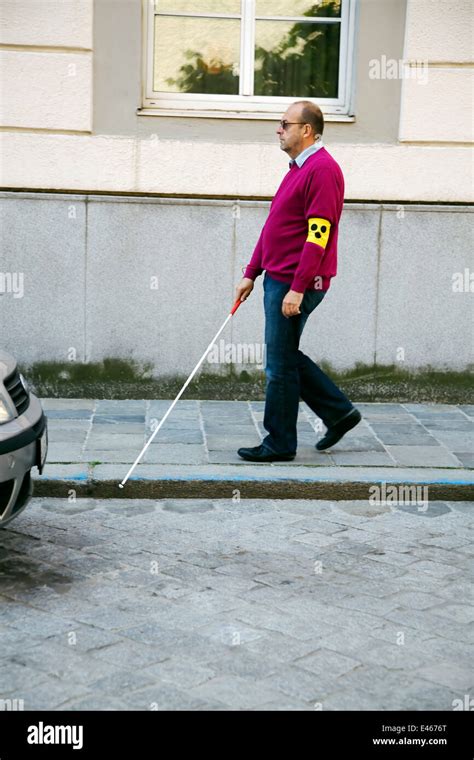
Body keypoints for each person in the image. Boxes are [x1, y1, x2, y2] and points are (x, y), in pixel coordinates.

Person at [235, 100, 361, 462]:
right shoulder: (297, 168)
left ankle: (279, 443)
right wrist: (251, 272)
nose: (279, 129)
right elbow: (275, 225)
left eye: (284, 124)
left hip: (295, 282)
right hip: (278, 277)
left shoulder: (322, 170)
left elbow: (318, 235)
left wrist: (298, 287)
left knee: (278, 365)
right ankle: (340, 413)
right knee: (285, 357)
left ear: (306, 129)